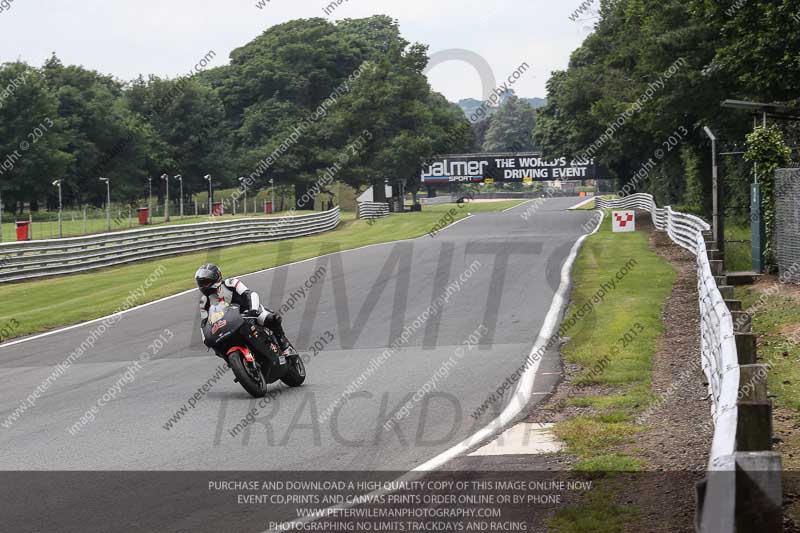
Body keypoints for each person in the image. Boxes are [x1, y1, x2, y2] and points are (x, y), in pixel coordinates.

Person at [195, 263, 292, 354]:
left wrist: (253, 311)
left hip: (248, 313)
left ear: (216, 279)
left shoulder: (231, 283)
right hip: (227, 324)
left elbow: (250, 294)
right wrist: (205, 339)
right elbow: (204, 323)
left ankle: (285, 346)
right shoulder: (204, 302)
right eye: (201, 283)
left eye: (206, 282)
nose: (203, 286)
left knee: (271, 319)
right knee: (217, 348)